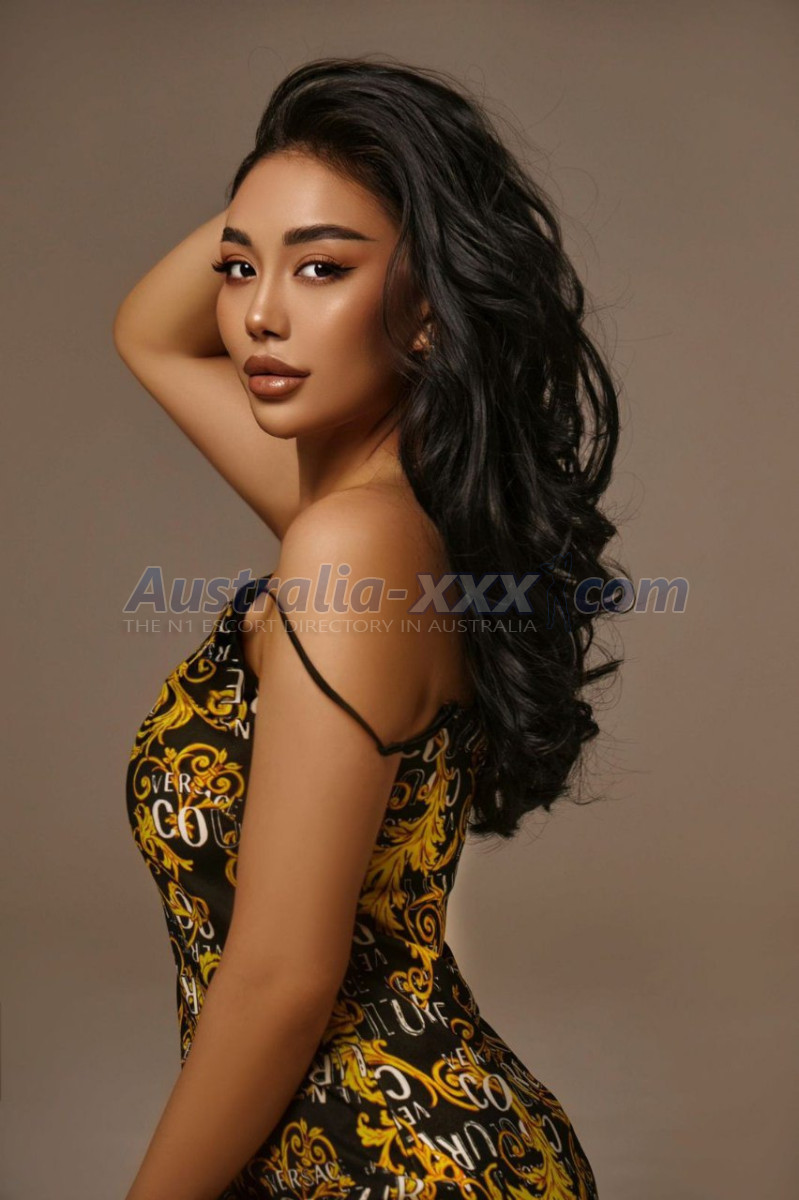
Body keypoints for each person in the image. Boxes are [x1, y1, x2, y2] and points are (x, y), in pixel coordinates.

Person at [114, 55, 624, 1200]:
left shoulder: (352, 548)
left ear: (429, 308)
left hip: (400, 1170)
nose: (257, 314)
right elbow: (149, 331)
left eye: (322, 268)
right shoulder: (380, 522)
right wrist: (308, 175)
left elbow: (282, 980)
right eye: (238, 267)